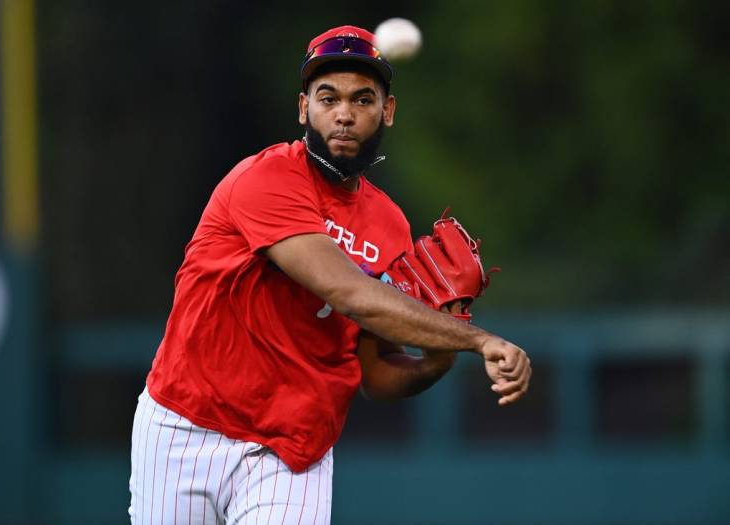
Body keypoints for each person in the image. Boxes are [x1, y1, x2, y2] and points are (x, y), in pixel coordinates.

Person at [129, 24, 531, 525]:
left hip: (293, 452)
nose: (344, 114)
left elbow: (375, 373)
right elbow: (348, 291)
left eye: (363, 99)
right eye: (328, 97)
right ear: (304, 108)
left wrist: (437, 357)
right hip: (187, 426)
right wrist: (478, 341)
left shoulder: (389, 225)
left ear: (387, 112)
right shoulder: (264, 180)